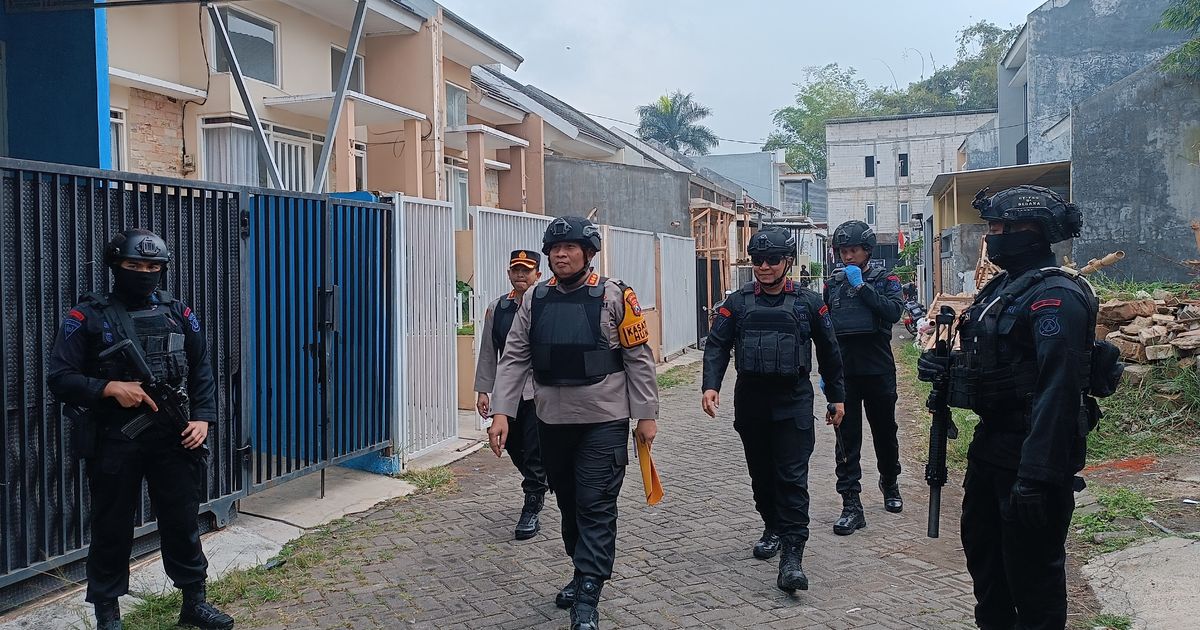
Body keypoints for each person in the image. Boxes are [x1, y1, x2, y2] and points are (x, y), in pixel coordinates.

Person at [918, 185, 1111, 629]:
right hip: (991, 447)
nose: (994, 236)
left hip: (1032, 457)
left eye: (1002, 227)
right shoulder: (1004, 289)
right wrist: (946, 367)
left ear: (1035, 232)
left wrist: (1037, 477)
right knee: (988, 570)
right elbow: (996, 360)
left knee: (1034, 584)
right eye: (992, 227)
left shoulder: (1056, 297)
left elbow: (1058, 392)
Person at [47, 229, 234, 630]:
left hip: (174, 436)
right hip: (116, 439)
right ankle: (108, 614)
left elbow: (201, 367)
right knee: (112, 526)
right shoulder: (87, 316)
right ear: (116, 266)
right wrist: (110, 387)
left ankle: (194, 602)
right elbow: (60, 378)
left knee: (182, 520)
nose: (144, 273)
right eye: (134, 265)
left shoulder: (178, 312)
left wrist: (203, 417)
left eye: (153, 267)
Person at [486, 216, 659, 630]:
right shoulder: (535, 299)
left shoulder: (616, 295)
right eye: (554, 249)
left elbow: (639, 357)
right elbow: (514, 358)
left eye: (570, 248)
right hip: (552, 419)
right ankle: (583, 570)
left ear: (589, 253)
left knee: (595, 504)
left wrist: (647, 415)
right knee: (568, 506)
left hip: (605, 418)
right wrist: (501, 411)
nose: (560, 255)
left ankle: (587, 598)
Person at [701, 226, 846, 594]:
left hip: (793, 403)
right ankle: (773, 526)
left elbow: (830, 353)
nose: (763, 267)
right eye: (757, 260)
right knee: (762, 478)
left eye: (772, 260)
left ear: (787, 262)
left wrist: (837, 397)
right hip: (752, 404)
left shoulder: (810, 303)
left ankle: (793, 558)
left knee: (791, 479)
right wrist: (710, 386)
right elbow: (717, 346)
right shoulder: (737, 302)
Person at [823, 220, 906, 535]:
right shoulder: (832, 284)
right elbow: (825, 327)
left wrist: (862, 286)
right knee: (846, 439)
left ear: (867, 251)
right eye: (843, 251)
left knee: (885, 433)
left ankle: (890, 482)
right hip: (845, 374)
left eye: (853, 250)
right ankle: (850, 503)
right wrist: (827, 375)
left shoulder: (886, 279)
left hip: (878, 370)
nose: (848, 256)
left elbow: (893, 312)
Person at [474, 249, 549, 540]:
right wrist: (484, 389)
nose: (521, 275)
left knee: (533, 448)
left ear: (538, 275)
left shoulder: (547, 305)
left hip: (541, 390)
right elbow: (489, 352)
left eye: (527, 270)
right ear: (508, 273)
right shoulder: (498, 308)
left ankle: (531, 504)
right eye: (516, 270)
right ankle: (539, 481)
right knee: (513, 446)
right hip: (510, 391)